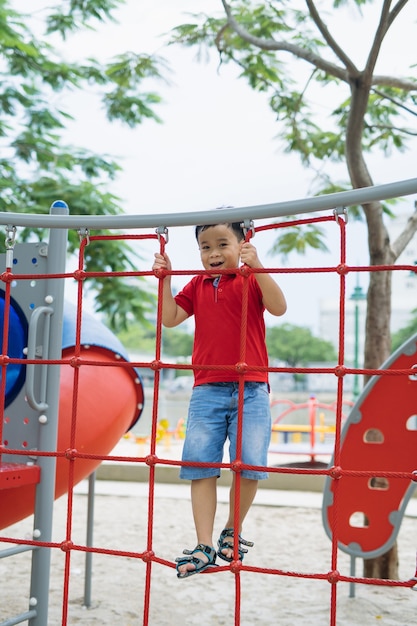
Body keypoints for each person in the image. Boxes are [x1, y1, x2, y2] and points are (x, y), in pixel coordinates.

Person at [152, 221, 287, 578]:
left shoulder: (250, 280)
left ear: (243, 244)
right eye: (205, 247)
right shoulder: (197, 285)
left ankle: (232, 529)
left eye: (222, 244)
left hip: (251, 388)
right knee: (200, 465)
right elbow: (169, 318)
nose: (213, 253)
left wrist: (256, 266)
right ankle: (204, 544)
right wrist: (165, 280)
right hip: (206, 388)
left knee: (251, 464)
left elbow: (279, 307)